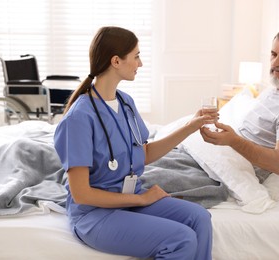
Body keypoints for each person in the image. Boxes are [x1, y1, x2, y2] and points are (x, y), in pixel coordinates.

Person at [53, 26, 218, 260]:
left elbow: (144, 154)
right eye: (137, 56)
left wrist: (191, 126)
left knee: (200, 218)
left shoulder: (125, 102)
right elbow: (81, 194)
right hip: (95, 214)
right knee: (181, 238)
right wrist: (140, 199)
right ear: (116, 61)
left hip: (128, 200)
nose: (140, 63)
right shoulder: (79, 118)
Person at [200, 26, 279, 182]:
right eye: (273, 54)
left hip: (234, 172)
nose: (276, 62)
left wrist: (233, 141)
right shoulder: (275, 89)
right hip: (222, 158)